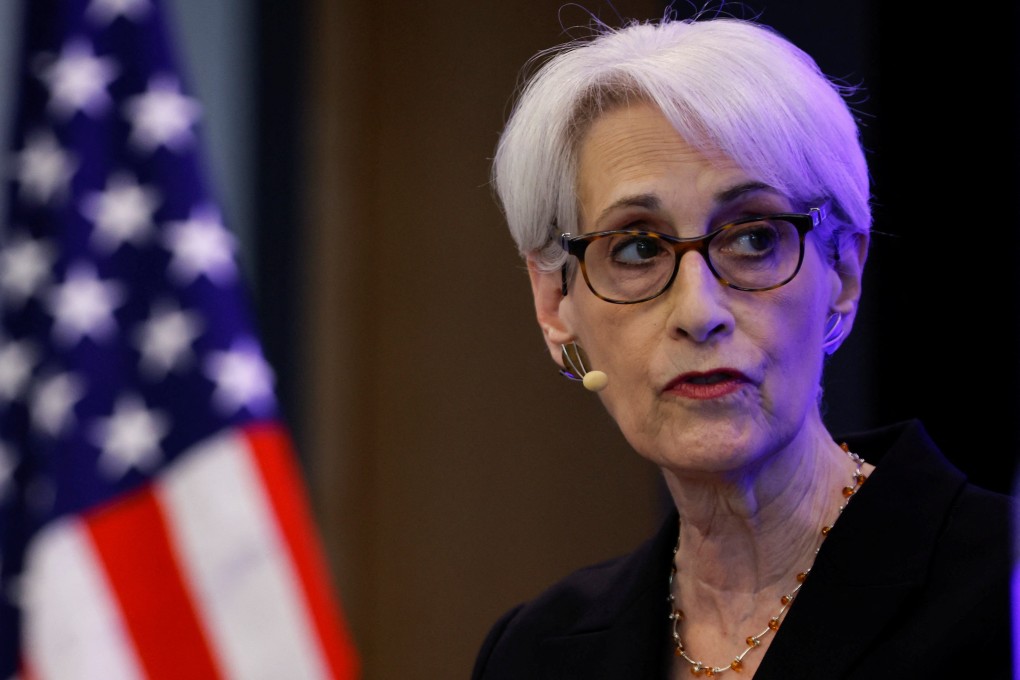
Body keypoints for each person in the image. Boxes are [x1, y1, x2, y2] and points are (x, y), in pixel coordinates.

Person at [471, 8, 1015, 679]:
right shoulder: (533, 654)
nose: (699, 313)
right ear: (555, 304)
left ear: (843, 272)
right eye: (637, 248)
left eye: (753, 237)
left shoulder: (1004, 593)